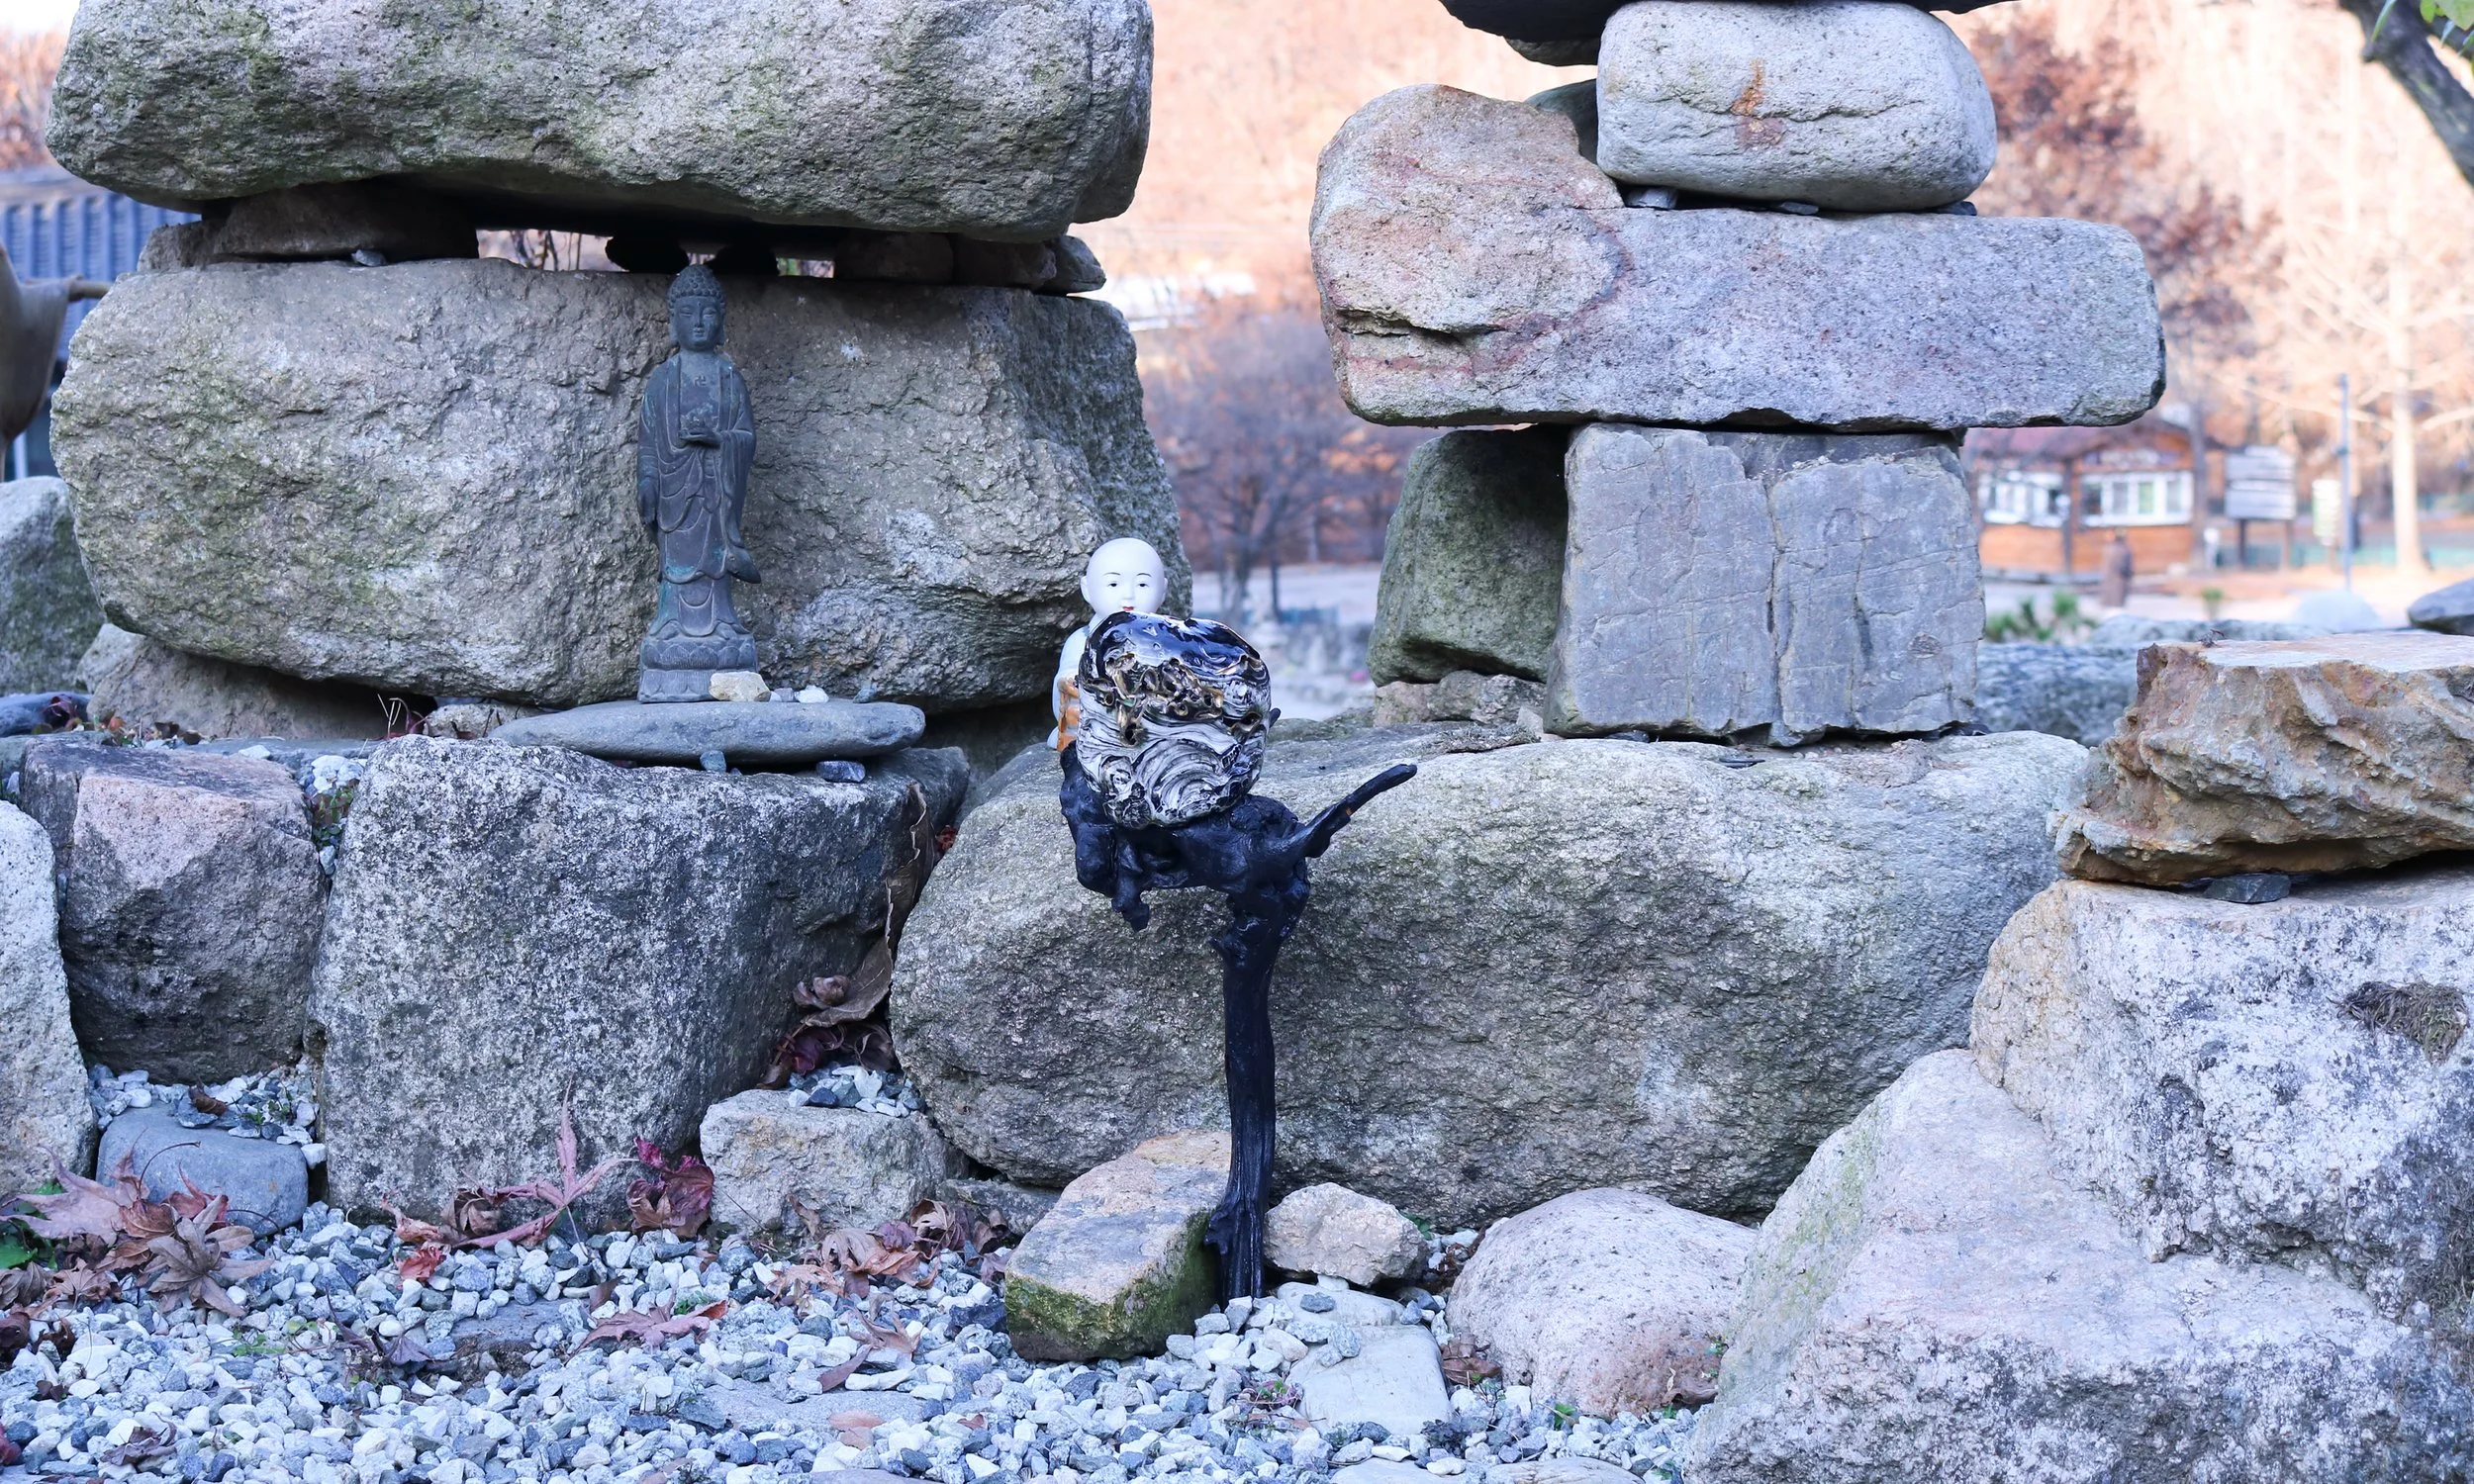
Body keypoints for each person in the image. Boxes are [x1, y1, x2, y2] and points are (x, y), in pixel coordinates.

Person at [1049, 537, 1168, 748]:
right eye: (1113, 584)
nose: (1128, 596)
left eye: (1142, 584)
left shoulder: (1166, 642)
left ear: (1163, 590)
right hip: (1095, 726)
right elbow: (1065, 689)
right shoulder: (1082, 641)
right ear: (1087, 590)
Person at [2099, 530, 2136, 609]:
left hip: (2118, 580)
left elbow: (2124, 567)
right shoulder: (2111, 548)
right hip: (2111, 580)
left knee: (2116, 604)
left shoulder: (2121, 549)